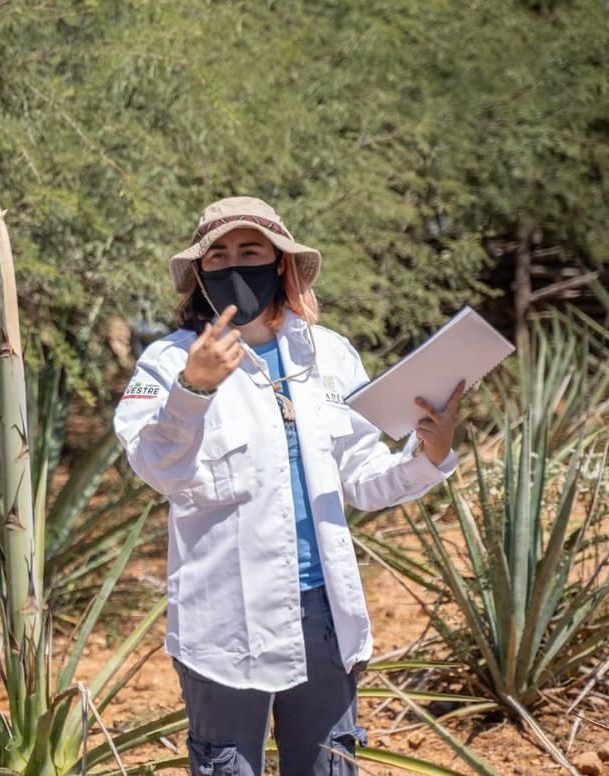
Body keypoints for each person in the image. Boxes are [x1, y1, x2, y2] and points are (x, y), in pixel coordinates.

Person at [114, 197, 463, 776]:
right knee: (227, 765)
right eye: (217, 255)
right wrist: (193, 390)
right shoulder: (167, 362)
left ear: (280, 262)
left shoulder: (329, 354)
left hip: (326, 612)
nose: (233, 265)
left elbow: (360, 477)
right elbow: (159, 470)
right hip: (226, 621)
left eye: (250, 251)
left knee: (328, 765)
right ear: (199, 273)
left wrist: (432, 450)